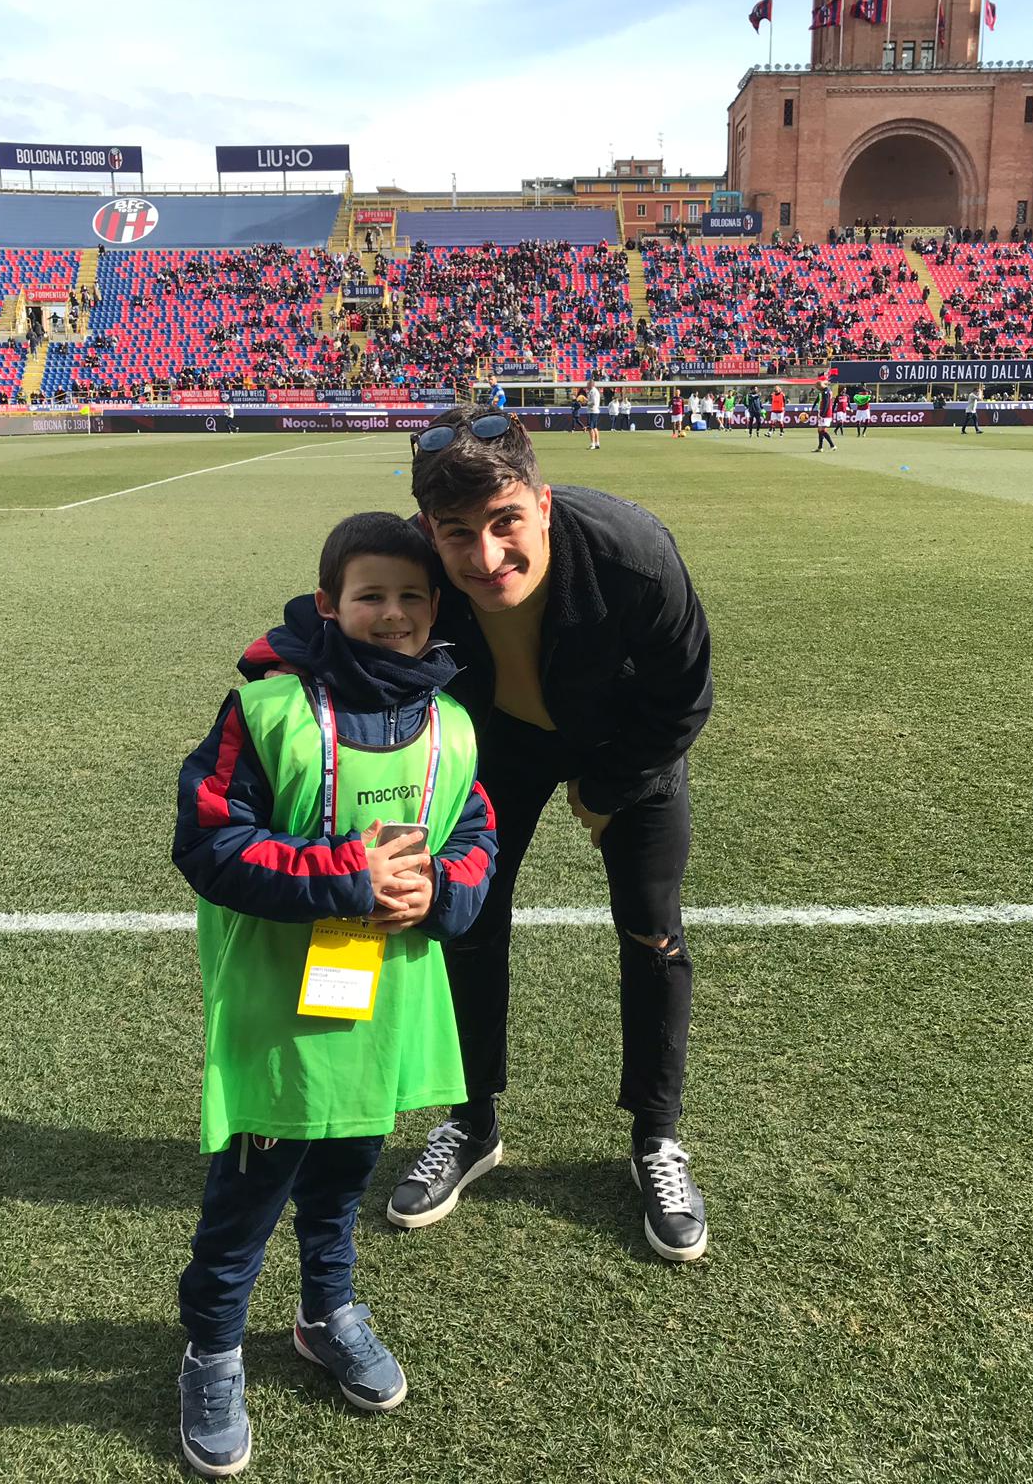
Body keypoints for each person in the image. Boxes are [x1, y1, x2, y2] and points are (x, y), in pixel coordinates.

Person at [242, 409, 714, 1264]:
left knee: (653, 932)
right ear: (430, 529)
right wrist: (274, 666)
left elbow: (684, 697)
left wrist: (608, 788)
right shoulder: (419, 566)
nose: (486, 556)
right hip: (501, 748)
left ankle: (656, 1136)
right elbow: (339, 620)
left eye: (506, 523)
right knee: (467, 923)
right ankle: (473, 1123)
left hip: (629, 748)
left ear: (543, 502)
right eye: (458, 532)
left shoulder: (634, 555)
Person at [172, 512, 498, 1477]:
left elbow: (474, 838)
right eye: (370, 595)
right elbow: (209, 842)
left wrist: (439, 891)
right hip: (281, 1014)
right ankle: (212, 1351)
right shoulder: (267, 711)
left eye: (410, 596)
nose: (392, 613)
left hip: (380, 1007)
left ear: (436, 609)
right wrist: (347, 878)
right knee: (247, 1200)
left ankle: (327, 1313)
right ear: (328, 604)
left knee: (344, 1181)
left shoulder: (451, 725)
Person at [814, 379, 836, 452]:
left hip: (826, 414)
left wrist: (822, 414)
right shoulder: (826, 391)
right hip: (824, 412)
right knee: (819, 430)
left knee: (822, 430)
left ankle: (832, 445)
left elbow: (826, 403)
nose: (818, 389)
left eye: (817, 387)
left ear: (820, 386)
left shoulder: (826, 392)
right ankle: (820, 447)